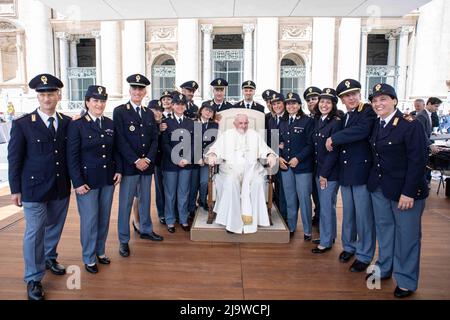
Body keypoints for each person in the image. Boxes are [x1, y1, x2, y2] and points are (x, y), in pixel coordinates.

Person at [8, 73, 71, 300]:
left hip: (60, 186)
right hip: (33, 189)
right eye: (43, 94)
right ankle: (34, 277)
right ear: (38, 97)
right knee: (34, 232)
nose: (47, 98)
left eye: (51, 94)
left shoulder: (66, 122)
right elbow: (14, 158)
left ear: (58, 95)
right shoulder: (23, 124)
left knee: (54, 226)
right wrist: (15, 189)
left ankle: (49, 257)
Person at [367, 83, 429, 298]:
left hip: (405, 192)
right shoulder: (377, 124)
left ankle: (405, 280)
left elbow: (418, 160)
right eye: (375, 100)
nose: (378, 104)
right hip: (381, 189)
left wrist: (409, 192)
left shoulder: (410, 124)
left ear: (394, 100)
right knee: (385, 231)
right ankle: (384, 267)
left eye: (383, 99)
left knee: (407, 237)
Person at [67, 85, 122, 274]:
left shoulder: (109, 123)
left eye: (102, 101)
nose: (99, 104)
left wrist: (119, 170)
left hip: (108, 179)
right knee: (90, 220)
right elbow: (71, 157)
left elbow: (116, 150)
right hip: (87, 182)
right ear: (87, 102)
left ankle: (100, 251)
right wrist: (77, 182)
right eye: (95, 100)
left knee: (104, 218)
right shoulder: (77, 125)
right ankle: (89, 257)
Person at [326, 79, 376, 272]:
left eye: (354, 93)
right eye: (347, 95)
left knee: (364, 217)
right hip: (346, 172)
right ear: (342, 100)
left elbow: (362, 131)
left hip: (361, 172)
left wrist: (334, 138)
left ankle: (364, 255)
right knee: (349, 214)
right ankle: (349, 246)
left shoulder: (368, 111)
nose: (351, 98)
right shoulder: (344, 116)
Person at [113, 74, 163, 258]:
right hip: (130, 166)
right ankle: (123, 240)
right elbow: (120, 140)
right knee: (125, 204)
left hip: (147, 166)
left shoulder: (149, 113)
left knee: (145, 200)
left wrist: (148, 160)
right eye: (134, 88)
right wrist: (136, 160)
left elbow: (154, 140)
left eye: (141, 89)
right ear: (129, 91)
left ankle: (146, 229)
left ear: (145, 92)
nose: (137, 92)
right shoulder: (120, 111)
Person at [206, 114, 278, 234]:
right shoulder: (227, 135)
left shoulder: (254, 135)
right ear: (234, 123)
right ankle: (231, 222)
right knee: (230, 183)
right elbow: (214, 150)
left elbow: (265, 149)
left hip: (252, 170)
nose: (243, 126)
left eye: (246, 123)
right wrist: (212, 155)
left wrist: (270, 155)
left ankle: (255, 219)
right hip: (230, 170)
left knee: (258, 182)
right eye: (240, 123)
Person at [279, 92, 314, 240]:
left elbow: (311, 144)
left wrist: (298, 158)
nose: (290, 106)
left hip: (302, 167)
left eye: (294, 103)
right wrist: (279, 156)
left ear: (299, 105)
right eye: (288, 103)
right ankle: (292, 227)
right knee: (290, 198)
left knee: (304, 198)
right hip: (286, 166)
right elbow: (279, 142)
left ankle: (307, 231)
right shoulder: (283, 121)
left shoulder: (307, 121)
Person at [310, 88, 342, 253]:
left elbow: (334, 151)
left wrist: (324, 175)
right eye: (322, 101)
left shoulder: (335, 122)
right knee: (326, 205)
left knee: (327, 206)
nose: (324, 104)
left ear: (333, 105)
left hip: (328, 173)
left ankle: (326, 242)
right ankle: (328, 235)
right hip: (320, 169)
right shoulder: (319, 120)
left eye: (328, 102)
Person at [162, 93, 194, 233]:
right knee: (170, 193)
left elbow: (194, 144)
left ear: (185, 106)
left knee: (184, 192)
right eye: (177, 104)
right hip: (170, 163)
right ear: (173, 105)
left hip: (186, 163)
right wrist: (176, 158)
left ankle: (183, 219)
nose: (180, 106)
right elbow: (164, 144)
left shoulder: (191, 122)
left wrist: (186, 158)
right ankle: (170, 220)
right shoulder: (166, 123)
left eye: (182, 104)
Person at [190, 104, 218, 212]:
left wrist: (206, 157)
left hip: (206, 159)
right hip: (192, 159)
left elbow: (215, 143)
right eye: (206, 110)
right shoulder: (193, 123)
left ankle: (202, 201)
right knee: (193, 184)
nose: (208, 112)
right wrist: (197, 156)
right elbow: (191, 142)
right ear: (201, 110)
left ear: (212, 115)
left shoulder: (214, 126)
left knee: (204, 182)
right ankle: (191, 207)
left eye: (211, 111)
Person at [266, 92, 288, 221]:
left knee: (287, 192)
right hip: (276, 157)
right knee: (279, 188)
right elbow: (272, 141)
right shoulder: (272, 120)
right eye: (274, 104)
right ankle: (280, 214)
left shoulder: (288, 118)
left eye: (279, 103)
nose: (276, 106)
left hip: (287, 159)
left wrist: (283, 145)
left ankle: (286, 218)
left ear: (283, 104)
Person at [304, 86, 322, 226]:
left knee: (323, 197)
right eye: (308, 100)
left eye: (314, 99)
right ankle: (317, 217)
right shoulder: (309, 118)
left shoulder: (332, 117)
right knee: (314, 194)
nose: (311, 102)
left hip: (323, 164)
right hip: (310, 162)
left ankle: (323, 223)